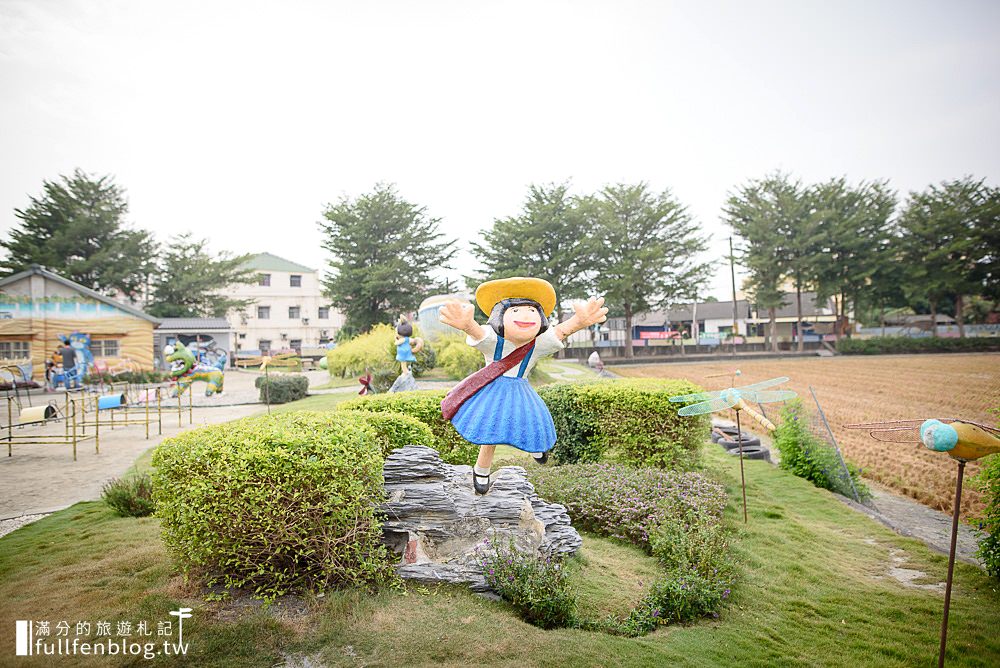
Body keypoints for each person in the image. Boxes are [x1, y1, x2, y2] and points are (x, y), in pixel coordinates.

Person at [439, 277, 608, 494]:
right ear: (500, 316)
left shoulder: (537, 344)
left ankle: (537, 449)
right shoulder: (494, 341)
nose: (526, 315)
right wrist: (466, 325)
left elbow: (562, 331)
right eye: (516, 311)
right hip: (493, 390)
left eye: (531, 310)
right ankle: (482, 470)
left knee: (532, 420)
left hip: (521, 388)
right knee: (491, 430)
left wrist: (579, 321)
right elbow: (478, 333)